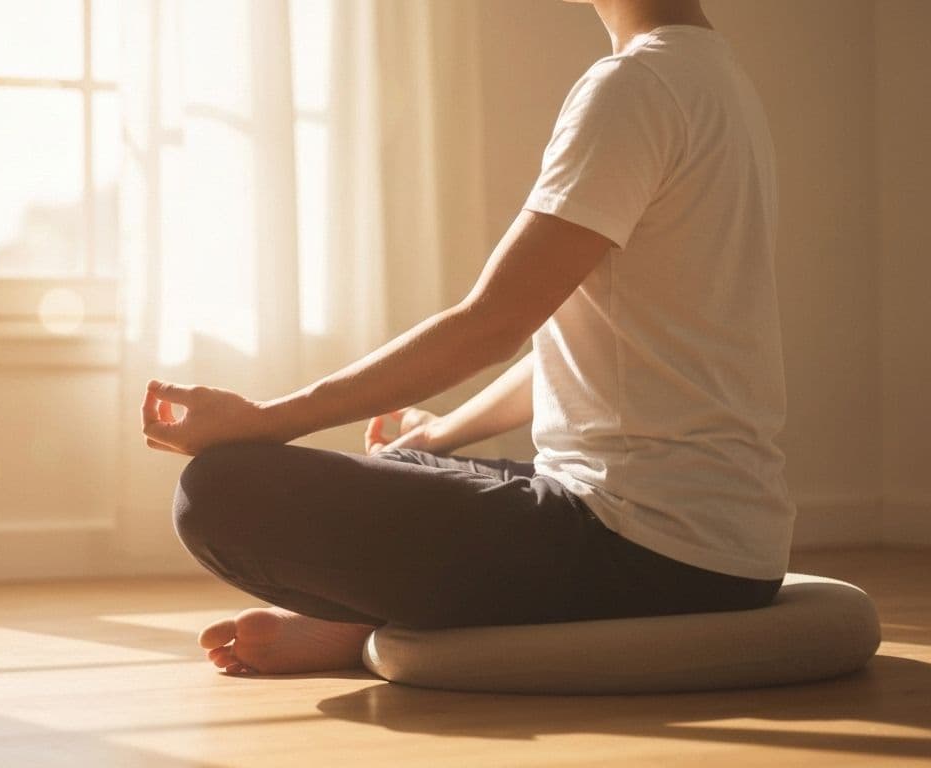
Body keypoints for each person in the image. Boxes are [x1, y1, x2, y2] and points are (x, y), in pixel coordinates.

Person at [141, 0, 794, 675]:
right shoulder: (719, 83)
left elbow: (491, 325)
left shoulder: (633, 86)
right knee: (403, 462)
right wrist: (439, 435)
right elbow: (602, 345)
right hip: (728, 543)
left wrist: (266, 421)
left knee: (218, 490)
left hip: (647, 551)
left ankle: (352, 611)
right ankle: (353, 613)